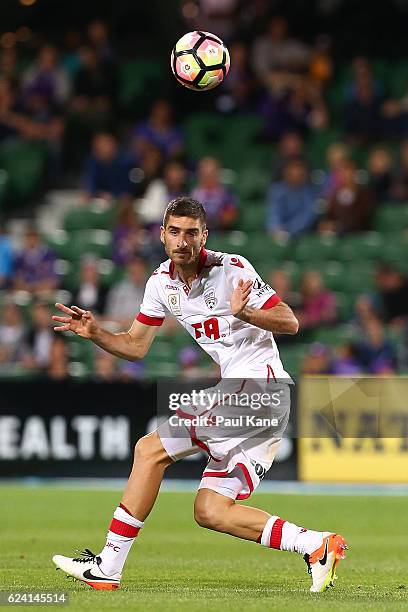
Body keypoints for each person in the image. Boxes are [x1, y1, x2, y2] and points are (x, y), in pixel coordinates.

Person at [51, 196, 347, 593]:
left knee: (149, 450)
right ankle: (316, 545)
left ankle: (109, 564)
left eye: (191, 232)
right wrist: (96, 333)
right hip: (251, 400)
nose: (182, 240)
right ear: (162, 235)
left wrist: (246, 313)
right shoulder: (160, 283)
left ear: (204, 235)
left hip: (260, 390)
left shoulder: (233, 270)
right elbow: (136, 346)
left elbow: (289, 321)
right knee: (210, 510)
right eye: (174, 231)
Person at [266, 159, 318, 239]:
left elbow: (307, 217)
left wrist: (288, 229)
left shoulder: (309, 192)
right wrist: (275, 228)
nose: (295, 173)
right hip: (278, 234)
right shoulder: (277, 190)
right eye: (292, 170)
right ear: (285, 173)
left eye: (299, 171)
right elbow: (274, 213)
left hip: (302, 235)